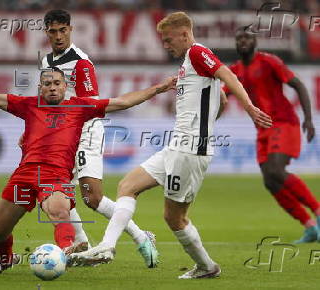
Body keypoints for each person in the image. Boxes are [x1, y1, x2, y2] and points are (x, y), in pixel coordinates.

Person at [70, 12, 272, 279]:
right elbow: (221, 100)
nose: (166, 45)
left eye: (168, 40)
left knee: (175, 218)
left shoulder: (198, 52)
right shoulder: (190, 63)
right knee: (127, 186)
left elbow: (227, 75)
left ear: (185, 35)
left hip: (189, 151)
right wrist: (207, 120)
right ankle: (107, 247)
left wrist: (248, 106)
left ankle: (207, 267)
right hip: (176, 146)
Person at [0, 48, 176, 273]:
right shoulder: (28, 105)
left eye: (57, 83)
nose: (53, 87)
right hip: (24, 176)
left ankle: (66, 251)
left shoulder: (79, 107)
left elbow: (123, 102)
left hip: (55, 177)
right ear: (41, 89)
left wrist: (159, 88)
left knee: (59, 212)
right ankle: (6, 259)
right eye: (48, 84)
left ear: (65, 87)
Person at [19, 9, 159, 266]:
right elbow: (45, 102)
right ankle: (80, 243)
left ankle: (142, 237)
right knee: (58, 187)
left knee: (91, 197)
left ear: (71, 30)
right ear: (46, 32)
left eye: (63, 30)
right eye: (53, 31)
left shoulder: (81, 63)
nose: (58, 36)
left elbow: (90, 105)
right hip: (62, 135)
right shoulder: (46, 62)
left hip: (86, 133)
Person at [226, 27, 318, 243]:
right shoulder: (234, 72)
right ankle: (310, 226)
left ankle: (317, 209)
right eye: (239, 38)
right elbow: (222, 97)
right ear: (236, 43)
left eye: (247, 37)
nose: (243, 41)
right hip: (263, 129)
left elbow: (299, 85)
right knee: (270, 181)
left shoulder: (269, 62)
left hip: (284, 122)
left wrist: (308, 118)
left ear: (255, 41)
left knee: (276, 170)